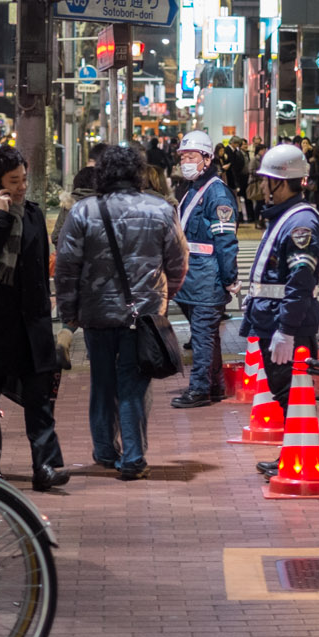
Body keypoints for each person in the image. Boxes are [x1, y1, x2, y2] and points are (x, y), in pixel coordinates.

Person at [55, 146, 188, 481]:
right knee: (133, 383)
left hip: (97, 312)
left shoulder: (84, 211)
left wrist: (69, 310)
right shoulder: (160, 209)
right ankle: (132, 458)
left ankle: (103, 449)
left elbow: (67, 267)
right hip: (142, 314)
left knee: (101, 380)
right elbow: (178, 261)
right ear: (137, 173)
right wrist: (163, 295)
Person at [0, 146, 66, 492]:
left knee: (40, 402)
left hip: (33, 325)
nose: (22, 187)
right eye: (13, 181)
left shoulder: (34, 214)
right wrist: (1, 218)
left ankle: (46, 467)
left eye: (23, 179)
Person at [239, 144, 319, 478]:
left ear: (282, 182)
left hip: (285, 324)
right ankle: (292, 453)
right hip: (270, 320)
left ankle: (298, 456)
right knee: (285, 392)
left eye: (266, 180)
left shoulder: (301, 223)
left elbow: (300, 281)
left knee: (292, 393)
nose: (262, 186)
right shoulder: (287, 217)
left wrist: (287, 329)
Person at [169, 130, 241, 409]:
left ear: (207, 159)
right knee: (207, 336)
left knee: (201, 335)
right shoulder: (192, 190)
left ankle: (199, 388)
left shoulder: (217, 193)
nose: (186, 161)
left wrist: (229, 277)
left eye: (192, 156)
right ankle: (214, 386)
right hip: (193, 277)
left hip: (207, 279)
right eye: (183, 156)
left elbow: (225, 241)